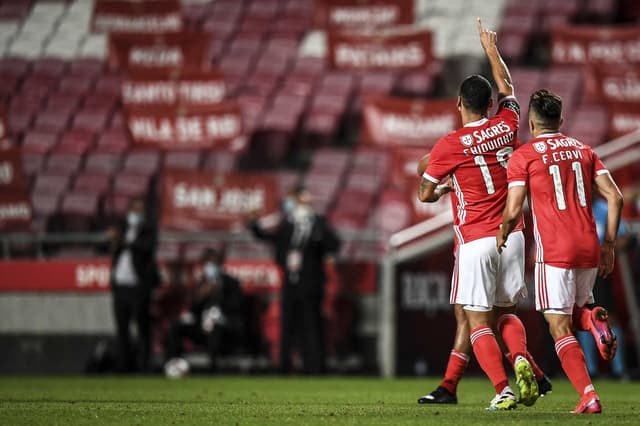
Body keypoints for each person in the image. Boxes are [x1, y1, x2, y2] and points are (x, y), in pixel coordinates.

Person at [417, 18, 540, 410]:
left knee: (473, 321)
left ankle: (502, 388)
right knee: (503, 315)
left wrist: (444, 183)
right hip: (514, 234)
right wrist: (491, 50)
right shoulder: (507, 124)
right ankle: (522, 362)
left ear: (458, 104)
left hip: (475, 238)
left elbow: (424, 191)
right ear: (490, 105)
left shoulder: (449, 145)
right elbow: (508, 87)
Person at [497, 89, 623, 414]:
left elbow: (513, 211)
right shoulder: (584, 150)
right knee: (574, 314)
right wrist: (609, 244)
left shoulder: (524, 156)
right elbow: (616, 197)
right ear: (561, 121)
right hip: (589, 245)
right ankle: (593, 318)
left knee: (558, 326)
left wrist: (501, 233)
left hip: (554, 249)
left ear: (531, 123)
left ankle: (589, 396)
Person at [249, 186, 341, 374]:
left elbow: (333, 244)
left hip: (312, 283)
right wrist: (254, 224)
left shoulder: (318, 223)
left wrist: (318, 234)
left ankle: (314, 367)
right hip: (291, 282)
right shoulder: (287, 224)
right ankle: (284, 366)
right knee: (287, 325)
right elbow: (269, 238)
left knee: (312, 325)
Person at [576, 197, 631, 380]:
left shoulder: (604, 209)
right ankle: (590, 370)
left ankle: (619, 369)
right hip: (578, 270)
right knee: (581, 320)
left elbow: (624, 237)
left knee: (608, 319)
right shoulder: (571, 207)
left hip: (600, 273)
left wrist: (606, 251)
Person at [164, 248, 243, 374]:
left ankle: (212, 370)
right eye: (207, 263)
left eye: (213, 263)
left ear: (220, 264)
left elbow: (237, 306)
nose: (210, 267)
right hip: (202, 327)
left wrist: (218, 294)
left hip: (225, 327)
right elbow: (193, 310)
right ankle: (173, 363)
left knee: (215, 328)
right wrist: (202, 295)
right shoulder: (201, 283)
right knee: (176, 327)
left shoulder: (231, 283)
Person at [108, 197, 159, 372]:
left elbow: (147, 248)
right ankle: (124, 366)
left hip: (139, 287)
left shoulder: (148, 230)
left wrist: (125, 241)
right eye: (134, 210)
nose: (137, 214)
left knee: (143, 327)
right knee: (122, 329)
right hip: (120, 286)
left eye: (140, 210)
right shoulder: (121, 228)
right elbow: (108, 248)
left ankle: (145, 366)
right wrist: (115, 240)